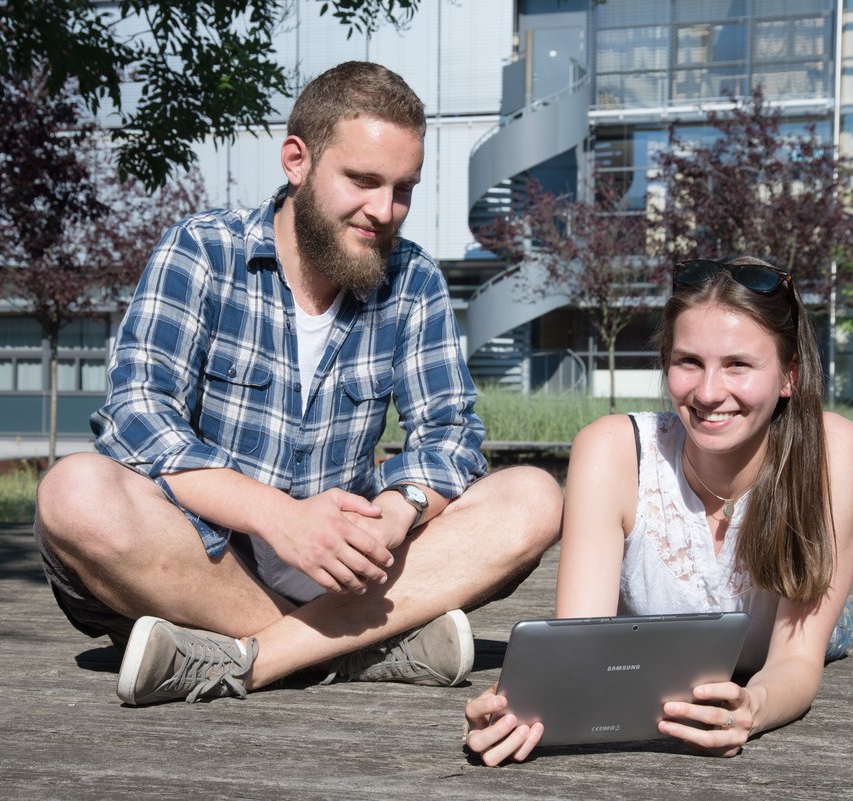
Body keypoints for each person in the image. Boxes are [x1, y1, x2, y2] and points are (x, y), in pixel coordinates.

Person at [33, 61, 562, 706]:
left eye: (403, 189)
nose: (384, 210)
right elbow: (138, 419)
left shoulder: (414, 279)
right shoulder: (201, 250)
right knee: (73, 492)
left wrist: (393, 518)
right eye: (363, 181)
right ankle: (353, 650)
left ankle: (251, 660)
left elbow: (450, 438)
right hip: (198, 563)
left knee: (534, 497)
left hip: (346, 567)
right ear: (297, 161)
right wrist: (281, 519)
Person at [464, 255, 853, 763]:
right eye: (688, 362)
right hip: (658, 661)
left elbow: (796, 659)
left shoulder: (832, 450)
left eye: (738, 364)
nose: (708, 392)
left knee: (831, 628)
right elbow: (581, 646)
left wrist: (753, 706)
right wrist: (521, 708)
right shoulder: (611, 450)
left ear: (789, 376)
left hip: (794, 636)